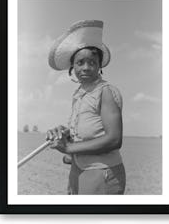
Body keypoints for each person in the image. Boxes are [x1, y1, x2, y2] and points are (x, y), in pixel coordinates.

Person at [46, 20, 126, 195]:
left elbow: (114, 139)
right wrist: (64, 133)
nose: (86, 67)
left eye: (92, 62)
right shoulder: (79, 94)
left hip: (102, 174)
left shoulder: (105, 92)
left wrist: (68, 148)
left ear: (99, 66)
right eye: (80, 62)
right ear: (72, 67)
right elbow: (87, 129)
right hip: (78, 170)